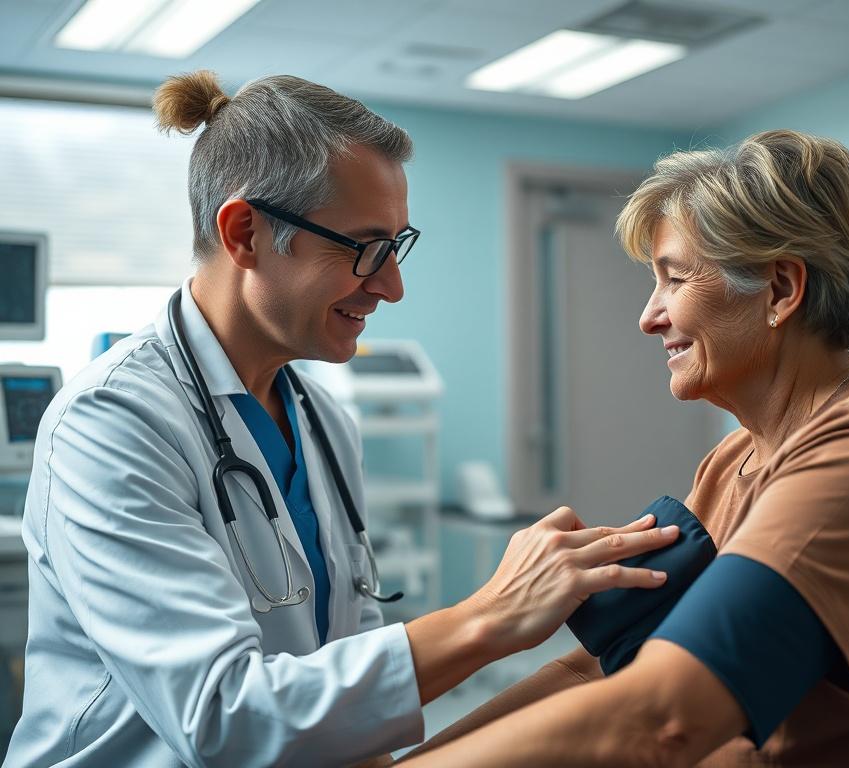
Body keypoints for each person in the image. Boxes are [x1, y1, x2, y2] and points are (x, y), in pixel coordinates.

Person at [2, 71, 681, 768]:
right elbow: (221, 717)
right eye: (364, 249)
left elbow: (345, 670)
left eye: (396, 246)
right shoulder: (110, 426)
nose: (391, 285)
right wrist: (491, 616)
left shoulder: (322, 420)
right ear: (244, 234)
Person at [395, 130, 849, 767]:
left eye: (674, 280)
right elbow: (596, 672)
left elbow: (663, 720)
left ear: (780, 290)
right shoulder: (735, 460)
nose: (649, 317)